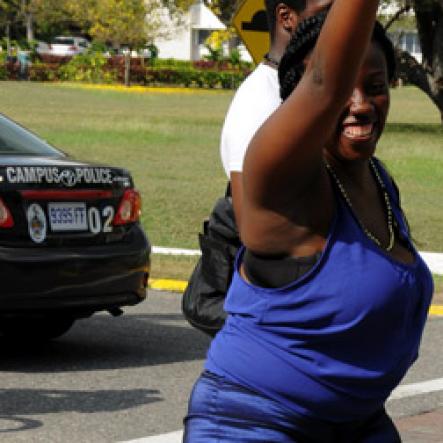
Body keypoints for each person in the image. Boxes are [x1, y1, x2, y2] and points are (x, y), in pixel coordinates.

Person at [183, 0, 434, 441]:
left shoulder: (375, 178)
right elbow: (323, 84)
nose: (360, 105)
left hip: (357, 422)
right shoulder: (280, 178)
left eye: (376, 86)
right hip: (255, 423)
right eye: (345, 92)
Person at [182, 0, 333, 336]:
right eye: (329, 9)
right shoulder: (260, 101)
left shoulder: (299, 91)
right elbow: (254, 230)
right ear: (286, 17)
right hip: (276, 307)